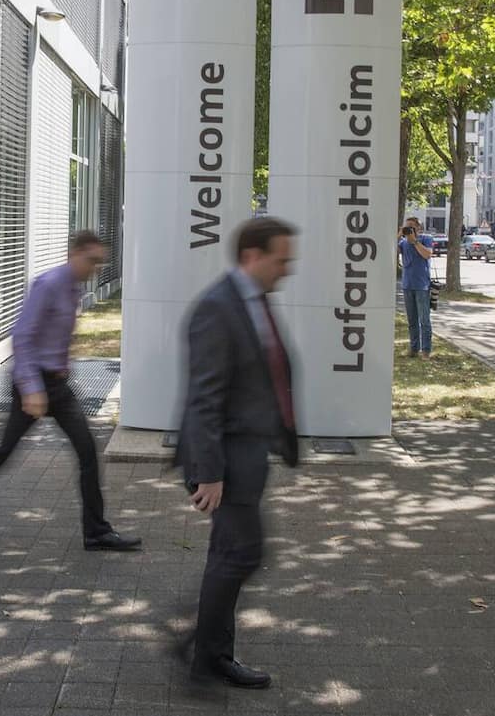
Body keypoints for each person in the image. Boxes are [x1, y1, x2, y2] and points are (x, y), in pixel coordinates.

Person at [0, 231, 141, 552]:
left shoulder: (73, 289)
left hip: (57, 386)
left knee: (87, 451)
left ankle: (96, 532)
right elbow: (22, 337)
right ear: (74, 254)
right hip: (32, 385)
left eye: (100, 262)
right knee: (2, 454)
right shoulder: (49, 284)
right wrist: (32, 389)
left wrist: (62, 366)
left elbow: (55, 335)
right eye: (92, 260)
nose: (96, 267)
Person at [174, 216, 300, 690]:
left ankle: (210, 654)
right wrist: (209, 473)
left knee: (229, 554)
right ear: (253, 256)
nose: (287, 270)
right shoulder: (218, 307)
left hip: (247, 452)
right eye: (281, 260)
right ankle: (199, 649)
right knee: (244, 553)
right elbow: (203, 399)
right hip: (224, 460)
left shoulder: (252, 300)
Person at [398, 216, 434, 359]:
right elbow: (390, 250)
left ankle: (426, 350)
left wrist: (415, 241)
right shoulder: (403, 242)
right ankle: (414, 348)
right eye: (407, 227)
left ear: (418, 227)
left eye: (411, 226)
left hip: (422, 285)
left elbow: (427, 254)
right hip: (407, 285)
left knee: (424, 320)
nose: (409, 229)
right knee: (412, 320)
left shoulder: (426, 239)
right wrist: (399, 234)